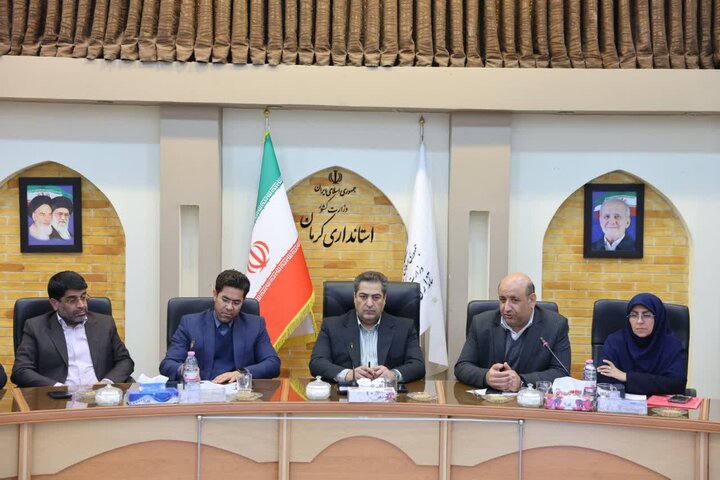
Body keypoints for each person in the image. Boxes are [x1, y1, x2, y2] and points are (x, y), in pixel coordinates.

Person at [11, 271, 134, 387]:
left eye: (83, 297)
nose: (81, 305)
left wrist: (106, 383)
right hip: (58, 397)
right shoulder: (36, 327)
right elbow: (21, 370)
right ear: (55, 304)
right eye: (72, 300)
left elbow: (125, 361)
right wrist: (59, 388)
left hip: (101, 396)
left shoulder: (104, 323)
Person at [455, 272, 571, 391]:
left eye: (514, 300)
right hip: (490, 400)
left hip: (532, 399)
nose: (506, 308)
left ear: (531, 300)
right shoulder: (481, 323)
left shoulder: (555, 326)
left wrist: (522, 381)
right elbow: (462, 367)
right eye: (502, 300)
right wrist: (486, 377)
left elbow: (561, 372)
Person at [160, 269, 280, 383]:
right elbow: (168, 364)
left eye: (236, 302)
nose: (229, 307)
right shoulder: (190, 323)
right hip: (200, 391)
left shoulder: (255, 325)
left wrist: (242, 373)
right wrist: (185, 370)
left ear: (243, 301)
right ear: (215, 295)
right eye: (225, 300)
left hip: (239, 393)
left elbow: (273, 364)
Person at [309, 271, 425, 384]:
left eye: (376, 297)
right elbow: (317, 363)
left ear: (384, 299)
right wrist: (347, 374)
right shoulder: (331, 326)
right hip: (348, 394)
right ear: (354, 298)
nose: (369, 304)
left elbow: (418, 366)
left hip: (388, 394)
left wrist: (392, 375)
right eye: (363, 296)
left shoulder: (405, 327)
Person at [596, 293, 686, 396]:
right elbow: (603, 380)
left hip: (659, 405)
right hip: (620, 403)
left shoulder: (671, 345)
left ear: (658, 318)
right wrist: (656, 384)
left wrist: (625, 377)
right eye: (634, 315)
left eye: (647, 315)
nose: (639, 321)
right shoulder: (615, 341)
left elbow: (677, 384)